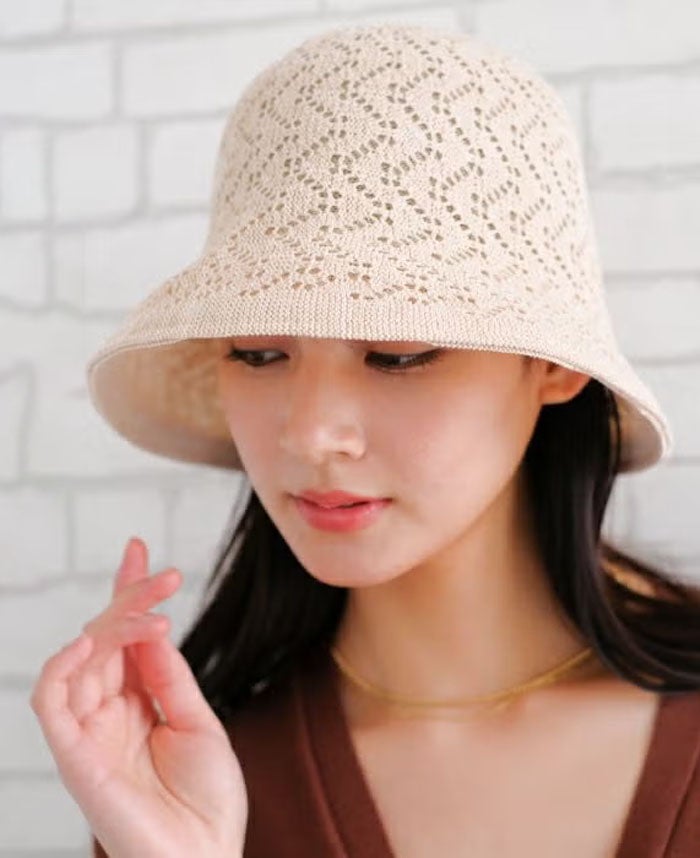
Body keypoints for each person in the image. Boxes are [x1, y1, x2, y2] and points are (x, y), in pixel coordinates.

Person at [30, 22, 700, 858]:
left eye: (397, 355)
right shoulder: (184, 786)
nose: (311, 434)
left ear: (553, 366)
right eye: (258, 353)